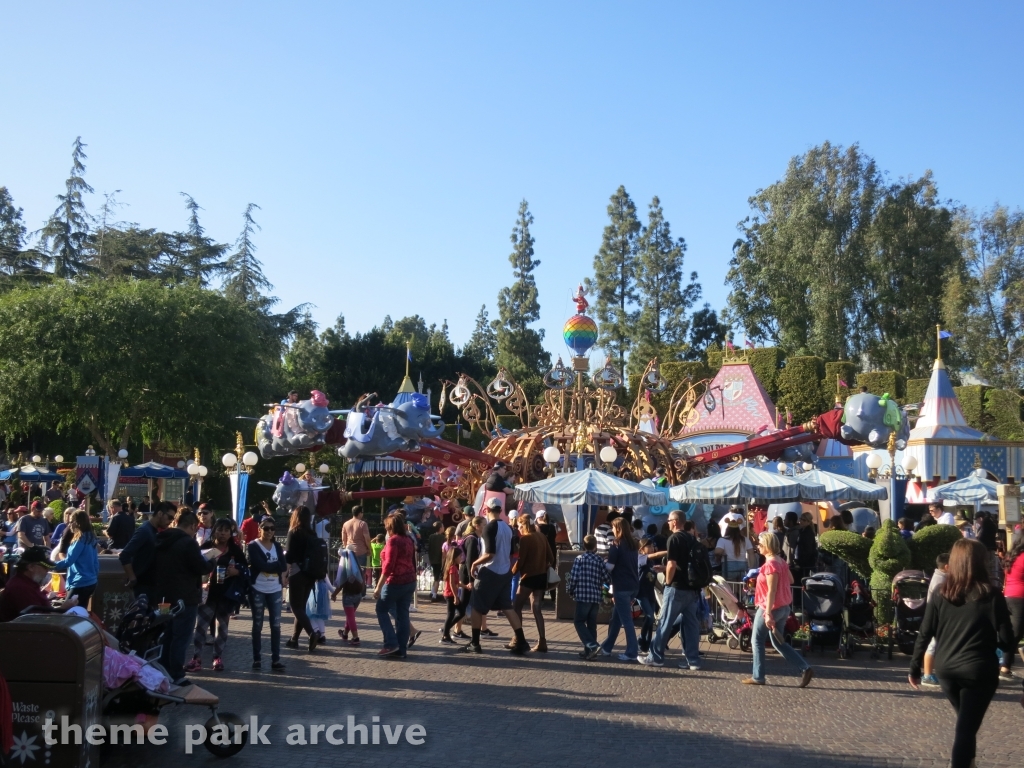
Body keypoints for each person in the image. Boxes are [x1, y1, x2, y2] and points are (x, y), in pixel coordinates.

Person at [909, 539, 1015, 768]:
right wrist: (998, 647)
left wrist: (915, 667)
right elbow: (1007, 639)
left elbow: (925, 632)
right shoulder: (991, 594)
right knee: (965, 729)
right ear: (980, 563)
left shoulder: (940, 592)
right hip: (978, 670)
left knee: (966, 723)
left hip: (947, 669)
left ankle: (970, 762)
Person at [741, 531, 814, 686]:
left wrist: (767, 614)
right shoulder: (780, 561)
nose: (758, 547)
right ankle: (804, 667)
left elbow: (771, 590)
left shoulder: (770, 565)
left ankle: (758, 676)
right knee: (778, 642)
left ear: (767, 546)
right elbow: (791, 579)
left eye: (760, 545)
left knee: (757, 641)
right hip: (784, 607)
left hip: (771, 608)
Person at [459, 498, 529, 655]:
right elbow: (512, 552)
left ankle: (475, 642)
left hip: (490, 571)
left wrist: (475, 563)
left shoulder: (489, 527)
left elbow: (490, 554)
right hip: (505, 571)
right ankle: (522, 640)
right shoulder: (508, 528)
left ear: (486, 510)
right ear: (501, 509)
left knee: (476, 606)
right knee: (507, 607)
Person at [152, 509, 214, 685]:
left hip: (164, 596)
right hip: (185, 597)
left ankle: (163, 669)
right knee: (182, 636)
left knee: (167, 634)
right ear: (193, 526)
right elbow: (200, 567)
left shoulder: (161, 538)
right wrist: (212, 562)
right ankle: (176, 674)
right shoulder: (188, 543)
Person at [640, 510, 702, 669]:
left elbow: (672, 564)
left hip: (676, 587)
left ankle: (656, 656)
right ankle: (693, 660)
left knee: (665, 622)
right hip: (692, 587)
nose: (667, 523)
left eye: (669, 520)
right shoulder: (691, 538)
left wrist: (668, 581)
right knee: (691, 625)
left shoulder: (674, 539)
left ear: (675, 522)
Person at [186, 519, 247, 673]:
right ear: (214, 530)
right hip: (207, 594)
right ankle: (196, 658)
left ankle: (217, 658)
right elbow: (194, 566)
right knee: (201, 627)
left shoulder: (235, 550)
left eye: (227, 530)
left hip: (226, 595)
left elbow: (246, 569)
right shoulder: (206, 547)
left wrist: (237, 572)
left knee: (223, 629)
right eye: (220, 529)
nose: (223, 533)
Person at [374, 513, 417, 658]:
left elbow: (388, 566)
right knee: (403, 614)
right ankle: (401, 650)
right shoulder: (408, 539)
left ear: (390, 527)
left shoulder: (393, 541)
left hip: (395, 581)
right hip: (409, 580)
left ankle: (391, 643)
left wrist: (378, 587)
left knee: (381, 609)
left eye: (386, 526)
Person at [597, 517, 641, 661]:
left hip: (621, 586)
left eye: (614, 528)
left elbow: (610, 567)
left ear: (618, 529)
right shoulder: (633, 544)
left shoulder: (616, 544)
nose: (612, 531)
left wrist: (603, 563)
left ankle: (631, 652)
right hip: (634, 585)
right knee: (616, 618)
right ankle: (607, 647)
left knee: (626, 621)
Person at [247, 516, 286, 671]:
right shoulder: (253, 546)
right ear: (260, 529)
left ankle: (275, 660)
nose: (269, 531)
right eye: (266, 528)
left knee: (275, 626)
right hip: (258, 588)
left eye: (272, 528)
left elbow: (283, 566)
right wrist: (273, 566)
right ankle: (257, 659)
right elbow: (259, 564)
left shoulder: (276, 545)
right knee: (258, 625)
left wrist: (270, 566)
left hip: (275, 589)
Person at [512, 514, 555, 652]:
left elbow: (521, 561)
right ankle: (542, 641)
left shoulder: (525, 539)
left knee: (516, 606)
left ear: (523, 525)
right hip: (541, 577)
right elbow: (551, 557)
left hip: (528, 577)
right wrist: (544, 565)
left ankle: (518, 638)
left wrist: (510, 573)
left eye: (519, 526)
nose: (518, 528)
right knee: (536, 609)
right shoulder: (541, 536)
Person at [0, 547, 80, 622]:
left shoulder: (28, 584)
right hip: (26, 634)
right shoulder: (20, 588)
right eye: (45, 567)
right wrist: (62, 609)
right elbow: (36, 622)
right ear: (31, 567)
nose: (47, 571)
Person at [119, 502, 174, 603]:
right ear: (160, 514)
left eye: (173, 519)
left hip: (151, 585)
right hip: (143, 586)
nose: (171, 521)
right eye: (170, 517)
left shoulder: (153, 530)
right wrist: (132, 577)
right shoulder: (145, 530)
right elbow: (125, 555)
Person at [284, 506, 321, 652]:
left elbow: (289, 556)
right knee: (301, 607)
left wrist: (284, 575)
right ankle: (294, 639)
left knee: (295, 607)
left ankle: (312, 633)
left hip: (297, 572)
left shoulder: (293, 532)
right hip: (310, 574)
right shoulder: (312, 533)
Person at [565, 535, 606, 659]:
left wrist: (570, 590)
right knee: (591, 624)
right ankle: (589, 652)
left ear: (583, 545)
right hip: (595, 596)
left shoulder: (580, 559)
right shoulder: (599, 560)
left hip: (583, 595)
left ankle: (592, 646)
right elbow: (606, 578)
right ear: (595, 546)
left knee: (578, 621)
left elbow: (574, 577)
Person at [50, 511, 99, 609]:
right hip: (91, 582)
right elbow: (96, 563)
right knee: (81, 612)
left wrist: (50, 565)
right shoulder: (91, 538)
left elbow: (69, 561)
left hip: (79, 582)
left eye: (71, 522)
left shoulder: (79, 540)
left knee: (68, 611)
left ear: (78, 523)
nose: (69, 525)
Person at [920, 552, 950, 688]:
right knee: (933, 645)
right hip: (938, 616)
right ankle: (927, 675)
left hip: (939, 615)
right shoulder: (940, 579)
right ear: (947, 566)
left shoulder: (940, 576)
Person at [1000, 537, 1024, 678]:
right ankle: (1004, 668)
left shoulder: (1012, 555)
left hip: (1008, 595)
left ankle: (1005, 666)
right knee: (1015, 635)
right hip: (1020, 597)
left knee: (1013, 633)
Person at [439, 544, 465, 643]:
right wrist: (455, 596)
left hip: (451, 594)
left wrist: (465, 586)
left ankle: (446, 631)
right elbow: (451, 583)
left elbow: (456, 583)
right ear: (454, 557)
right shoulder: (452, 568)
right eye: (459, 556)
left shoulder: (453, 567)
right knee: (451, 614)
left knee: (459, 613)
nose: (461, 558)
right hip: (450, 595)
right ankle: (445, 634)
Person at [637, 538, 658, 654]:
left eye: (652, 546)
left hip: (650, 592)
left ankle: (647, 643)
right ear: (641, 549)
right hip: (641, 592)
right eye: (648, 546)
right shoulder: (640, 558)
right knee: (650, 617)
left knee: (649, 619)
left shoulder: (651, 562)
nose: (651, 548)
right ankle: (640, 640)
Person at [341, 505, 373, 581]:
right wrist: (369, 549)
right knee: (361, 574)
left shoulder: (345, 524)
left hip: (349, 551)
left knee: (350, 573)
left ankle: (351, 589)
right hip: (361, 551)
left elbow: (343, 539)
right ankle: (360, 590)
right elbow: (367, 539)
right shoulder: (363, 524)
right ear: (359, 513)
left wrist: (346, 547)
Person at [427, 521, 446, 601]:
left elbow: (429, 548)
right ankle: (434, 595)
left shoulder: (431, 536)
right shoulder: (442, 538)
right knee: (437, 578)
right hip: (439, 560)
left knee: (435, 576)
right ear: (440, 528)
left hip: (432, 559)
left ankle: (432, 591)